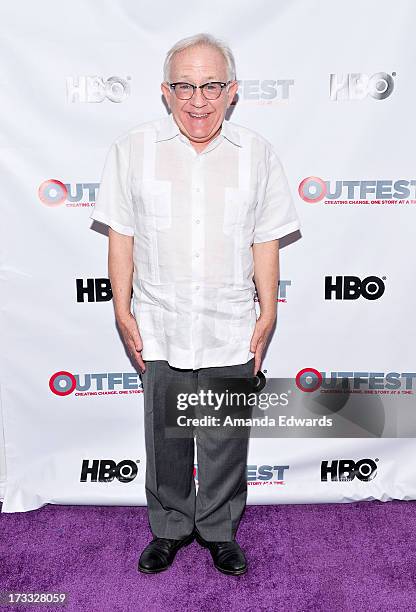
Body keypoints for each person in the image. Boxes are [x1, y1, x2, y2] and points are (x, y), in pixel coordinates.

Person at [89, 32, 301, 575]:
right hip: (159, 322)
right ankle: (170, 527)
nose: (198, 99)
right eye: (185, 85)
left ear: (233, 91)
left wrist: (269, 311)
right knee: (166, 438)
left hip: (231, 323)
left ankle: (219, 530)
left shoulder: (257, 154)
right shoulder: (132, 149)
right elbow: (122, 237)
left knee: (226, 440)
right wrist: (121, 309)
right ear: (165, 91)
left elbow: (266, 239)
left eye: (211, 85)